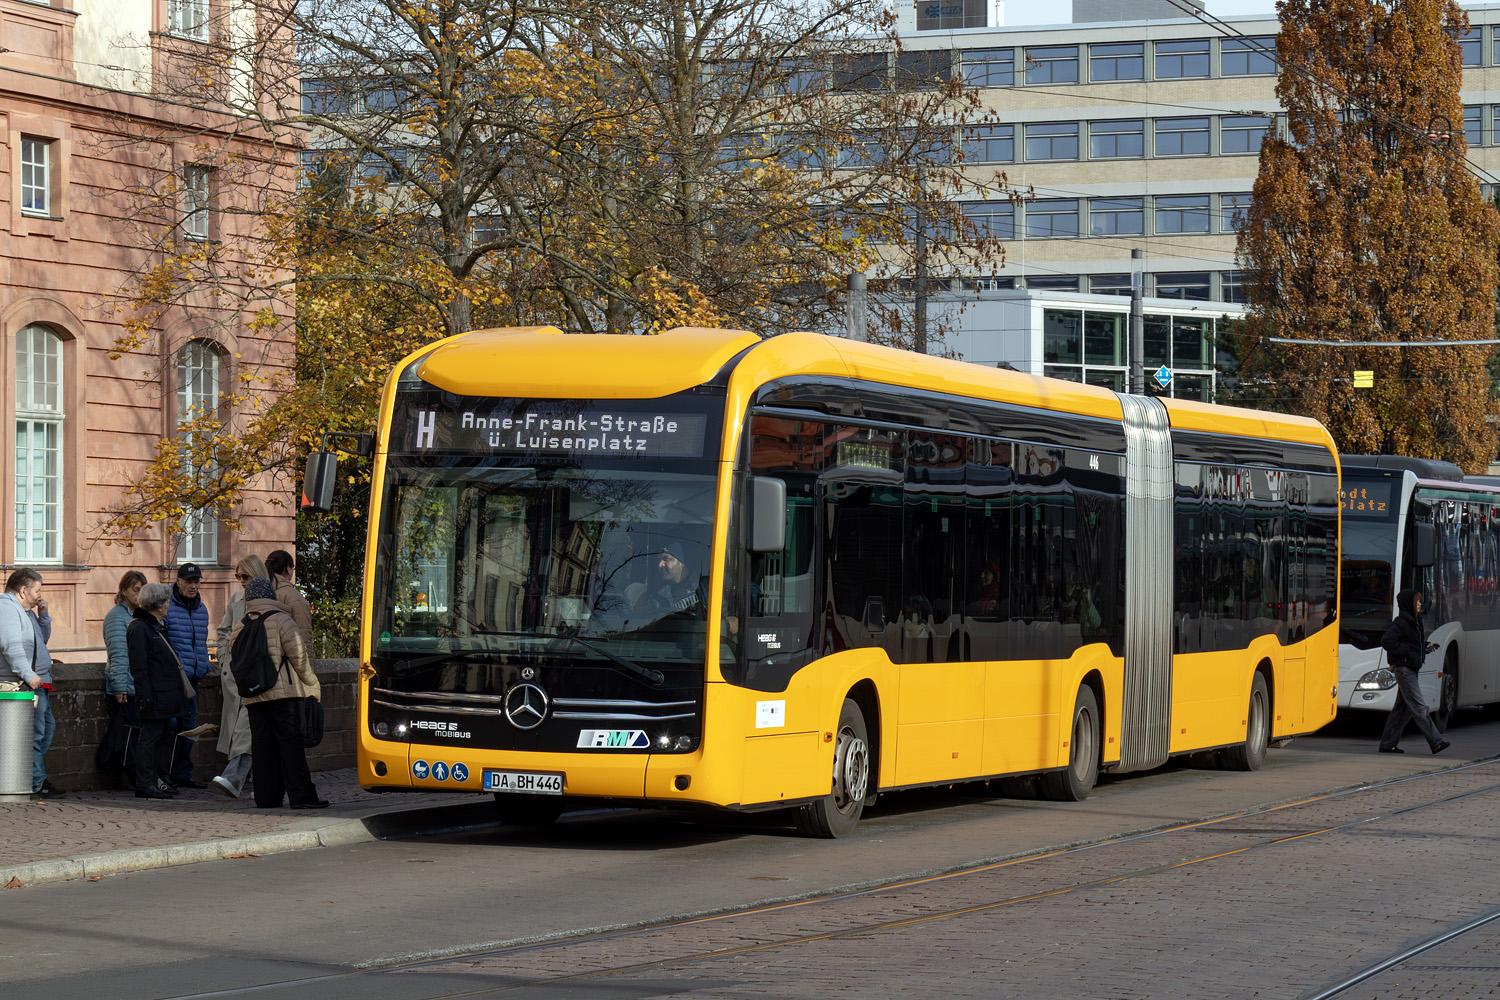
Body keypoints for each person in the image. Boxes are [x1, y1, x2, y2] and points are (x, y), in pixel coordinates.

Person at [235, 577, 326, 809]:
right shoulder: (283, 620)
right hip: (285, 694)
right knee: (291, 747)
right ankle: (302, 797)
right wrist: (312, 684)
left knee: (262, 748)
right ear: (271, 596)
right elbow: (299, 657)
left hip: (254, 696)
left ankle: (267, 798)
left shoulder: (239, 626)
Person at [0, 568, 64, 799]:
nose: (40, 595)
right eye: (37, 590)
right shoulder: (7, 609)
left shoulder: (25, 611)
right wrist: (28, 674)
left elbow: (41, 640)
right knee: (36, 733)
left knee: (45, 729)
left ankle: (32, 777)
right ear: (23, 590)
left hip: (36, 682)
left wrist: (43, 616)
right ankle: (35, 781)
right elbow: (11, 646)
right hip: (22, 683)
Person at [212, 555, 268, 798]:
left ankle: (234, 777)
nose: (241, 581)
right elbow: (223, 631)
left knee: (246, 726)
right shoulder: (236, 598)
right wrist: (224, 656)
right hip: (235, 673)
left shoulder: (270, 599)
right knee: (244, 726)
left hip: (258, 673)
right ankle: (260, 780)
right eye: (238, 577)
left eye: (245, 576)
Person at [127, 583, 185, 799]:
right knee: (149, 738)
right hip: (154, 694)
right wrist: (145, 697)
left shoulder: (153, 626)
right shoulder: (140, 627)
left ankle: (154, 780)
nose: (169, 605)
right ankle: (145, 783)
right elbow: (139, 667)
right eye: (167, 601)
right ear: (159, 605)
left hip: (163, 693)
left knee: (159, 736)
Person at [1377, 589, 1450, 755]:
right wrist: (1406, 651)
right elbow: (1387, 641)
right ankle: (1436, 741)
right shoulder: (1401, 623)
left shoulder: (1415, 621)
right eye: (1417, 601)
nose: (1419, 604)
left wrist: (1424, 647)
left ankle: (1387, 744)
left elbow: (1412, 644)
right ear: (1408, 604)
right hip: (1404, 669)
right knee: (1419, 707)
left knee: (1401, 711)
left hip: (1411, 667)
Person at [164, 562, 212, 788]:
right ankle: (166, 772)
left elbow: (200, 642)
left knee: (190, 728)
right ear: (178, 582)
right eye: (189, 582)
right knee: (171, 725)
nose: (193, 586)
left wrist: (204, 665)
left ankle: (182, 772)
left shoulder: (202, 609)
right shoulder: (168, 607)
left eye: (196, 582)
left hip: (193, 679)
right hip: (174, 679)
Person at [101, 570, 148, 786]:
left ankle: (141, 775)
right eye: (135, 590)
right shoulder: (116, 617)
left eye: (142, 590)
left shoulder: (139, 615)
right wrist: (120, 686)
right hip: (127, 686)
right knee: (131, 734)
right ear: (124, 591)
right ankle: (133, 775)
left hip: (140, 685)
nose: (139, 595)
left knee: (140, 734)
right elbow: (118, 653)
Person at [266, 549, 314, 652]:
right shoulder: (293, 597)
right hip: (286, 663)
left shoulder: (259, 593)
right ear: (288, 569)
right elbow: (303, 636)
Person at [652, 541, 705, 614]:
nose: (660, 564)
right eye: (659, 560)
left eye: (666, 559)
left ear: (682, 563)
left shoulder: (703, 588)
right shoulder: (660, 596)